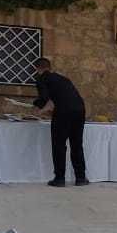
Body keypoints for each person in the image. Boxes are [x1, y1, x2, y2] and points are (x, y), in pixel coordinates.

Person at [31, 57, 88, 187]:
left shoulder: (41, 79)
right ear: (50, 67)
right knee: (76, 144)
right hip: (79, 110)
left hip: (63, 112)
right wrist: (47, 108)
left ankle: (59, 178)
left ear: (37, 69)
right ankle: (81, 178)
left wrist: (37, 106)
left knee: (59, 145)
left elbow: (45, 99)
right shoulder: (63, 79)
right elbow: (59, 98)